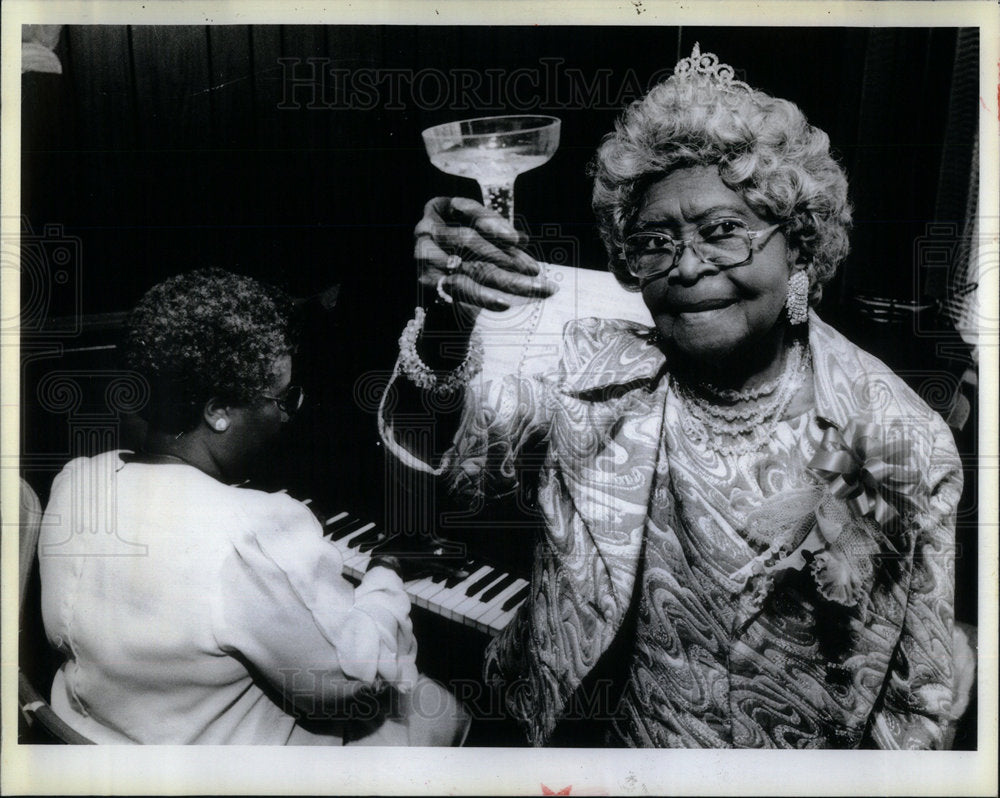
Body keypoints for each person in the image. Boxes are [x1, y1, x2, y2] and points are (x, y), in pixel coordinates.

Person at [379, 46, 963, 748]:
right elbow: (445, 454)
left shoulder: (896, 437)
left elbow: (914, 703)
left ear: (800, 247)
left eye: (723, 233)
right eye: (655, 240)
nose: (686, 266)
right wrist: (446, 315)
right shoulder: (590, 366)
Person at [39, 267, 469, 745]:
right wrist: (384, 570)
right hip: (217, 773)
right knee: (440, 709)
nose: (286, 417)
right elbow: (352, 686)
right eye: (284, 398)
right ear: (218, 411)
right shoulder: (251, 532)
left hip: (103, 737)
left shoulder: (78, 481)